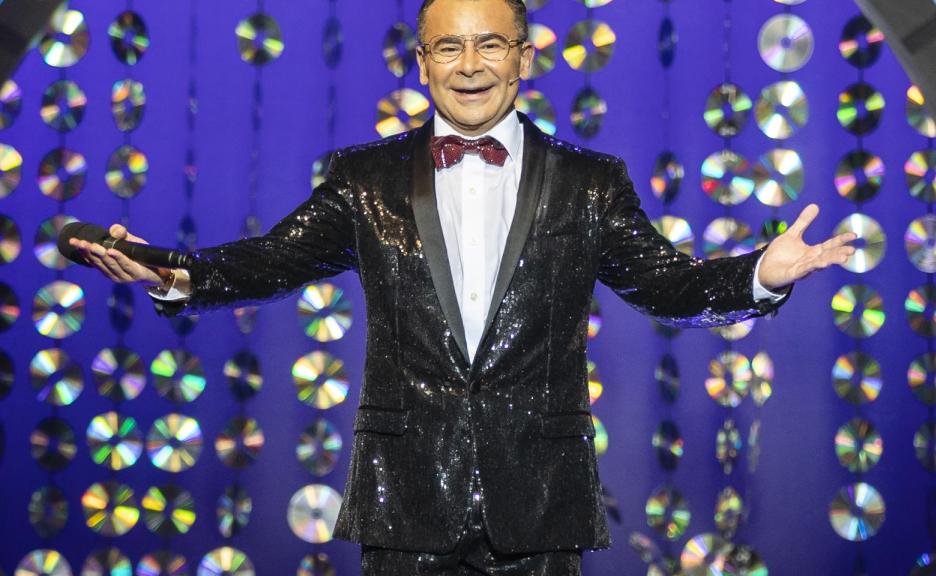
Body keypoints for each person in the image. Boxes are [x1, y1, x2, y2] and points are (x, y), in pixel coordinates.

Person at [70, 0, 857, 573]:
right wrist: (175, 270)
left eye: (489, 45)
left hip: (541, 499)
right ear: (421, 64)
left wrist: (759, 272)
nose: (470, 65)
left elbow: (668, 286)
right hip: (405, 496)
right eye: (448, 48)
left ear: (523, 57)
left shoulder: (590, 182)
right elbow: (272, 261)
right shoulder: (363, 177)